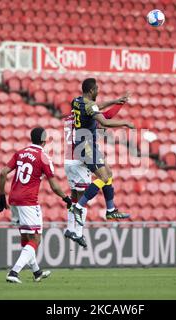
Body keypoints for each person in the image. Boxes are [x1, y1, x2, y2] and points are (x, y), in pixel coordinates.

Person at [0, 127, 72, 283]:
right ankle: (14, 272)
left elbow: (3, 172)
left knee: (26, 237)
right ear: (44, 140)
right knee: (36, 239)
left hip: (13, 199)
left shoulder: (20, 153)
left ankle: (37, 272)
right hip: (28, 201)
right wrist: (66, 198)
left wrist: (1, 195)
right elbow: (54, 186)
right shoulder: (43, 157)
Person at [70, 78, 135, 226]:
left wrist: (116, 101)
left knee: (109, 173)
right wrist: (125, 123)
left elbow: (96, 106)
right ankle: (78, 207)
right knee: (104, 177)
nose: (98, 91)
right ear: (92, 90)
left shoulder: (76, 101)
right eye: (97, 89)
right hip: (85, 147)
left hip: (85, 145)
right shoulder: (90, 106)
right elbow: (105, 121)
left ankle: (110, 210)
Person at [63, 102, 127, 248]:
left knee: (74, 194)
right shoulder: (86, 119)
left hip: (68, 159)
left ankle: (70, 228)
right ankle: (78, 233)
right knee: (89, 191)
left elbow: (99, 112)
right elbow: (106, 116)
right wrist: (120, 105)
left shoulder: (69, 119)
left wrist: (118, 101)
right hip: (80, 158)